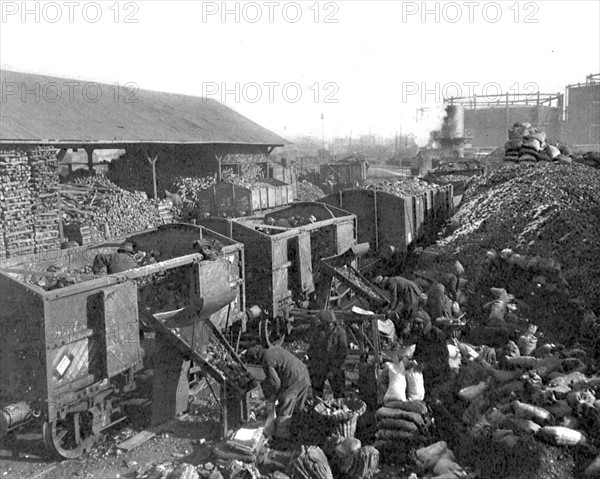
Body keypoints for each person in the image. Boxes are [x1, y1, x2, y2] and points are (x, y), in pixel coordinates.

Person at [245, 345, 311, 439]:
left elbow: (276, 383)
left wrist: (272, 397)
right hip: (304, 374)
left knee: (285, 406)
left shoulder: (266, 360)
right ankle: (297, 434)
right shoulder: (274, 349)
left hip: (295, 379)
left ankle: (282, 438)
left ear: (256, 358)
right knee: (298, 408)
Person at [307, 310, 348, 399]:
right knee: (317, 387)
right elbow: (311, 349)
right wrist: (315, 363)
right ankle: (318, 405)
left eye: (330, 324)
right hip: (320, 364)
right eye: (325, 324)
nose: (328, 326)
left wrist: (333, 369)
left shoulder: (340, 332)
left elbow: (343, 353)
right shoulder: (317, 331)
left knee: (339, 389)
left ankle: (339, 405)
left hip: (335, 365)